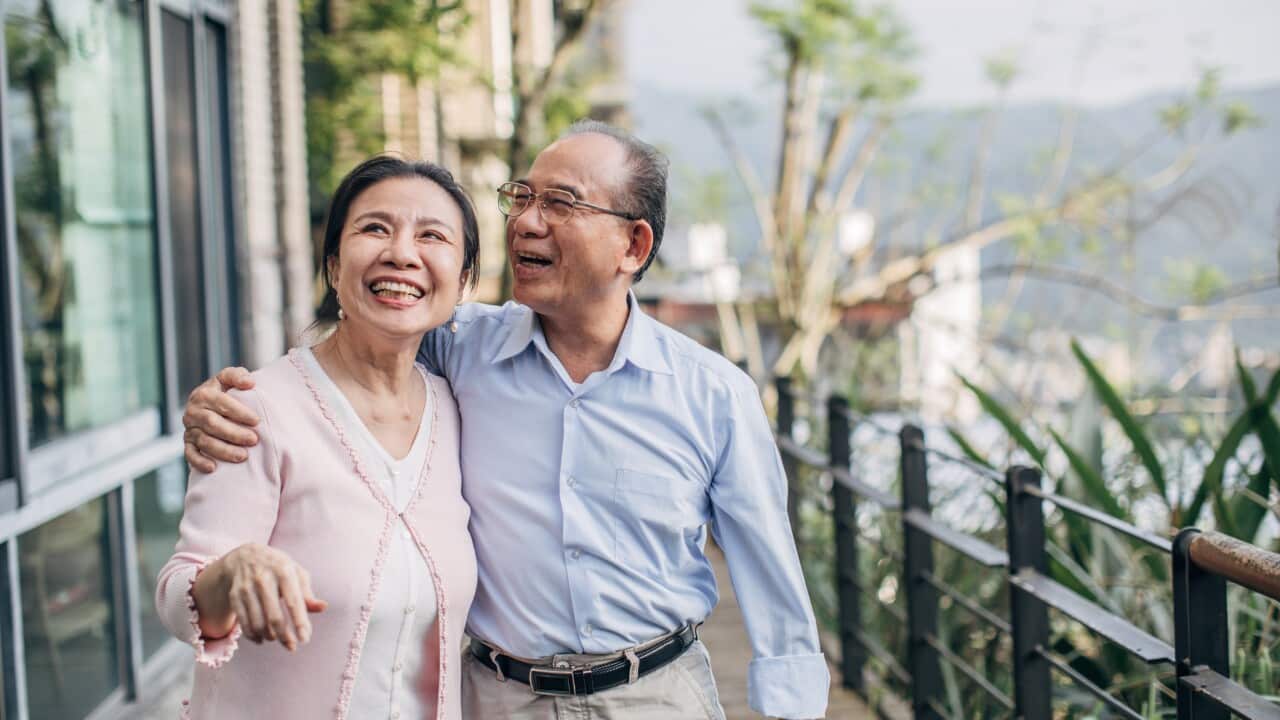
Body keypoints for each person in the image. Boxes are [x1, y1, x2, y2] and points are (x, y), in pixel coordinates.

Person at [183, 120, 830, 719]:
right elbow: (357, 354)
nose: (525, 222)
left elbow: (772, 577)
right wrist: (222, 401)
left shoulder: (713, 394)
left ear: (633, 245)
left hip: (655, 695)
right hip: (497, 698)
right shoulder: (461, 346)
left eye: (560, 204)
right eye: (522, 198)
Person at [157, 156, 480, 720]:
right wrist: (231, 574)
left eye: (432, 236)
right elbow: (177, 595)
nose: (402, 253)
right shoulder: (255, 410)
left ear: (464, 281)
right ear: (333, 266)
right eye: (375, 228)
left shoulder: (460, 409)